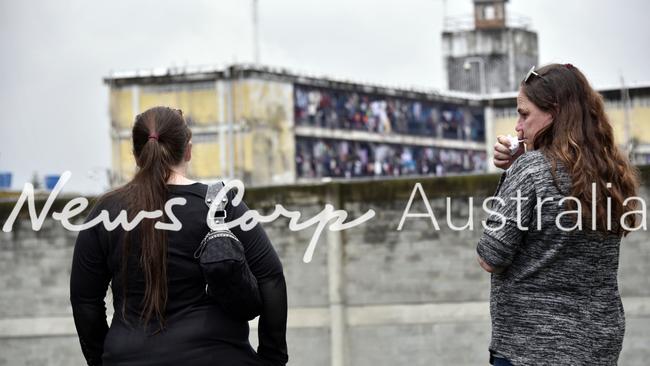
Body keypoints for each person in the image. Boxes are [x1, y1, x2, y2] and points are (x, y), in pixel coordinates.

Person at [70, 106, 288, 366]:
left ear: (137, 154)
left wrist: (102, 360)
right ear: (188, 150)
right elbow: (271, 279)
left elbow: (85, 301)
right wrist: (272, 358)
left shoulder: (105, 211)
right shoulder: (221, 204)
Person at [476, 64, 640, 365]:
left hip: (530, 347)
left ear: (554, 112)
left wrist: (514, 171)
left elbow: (491, 255)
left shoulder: (531, 170)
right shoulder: (612, 172)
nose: (517, 126)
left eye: (524, 114)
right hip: (597, 345)